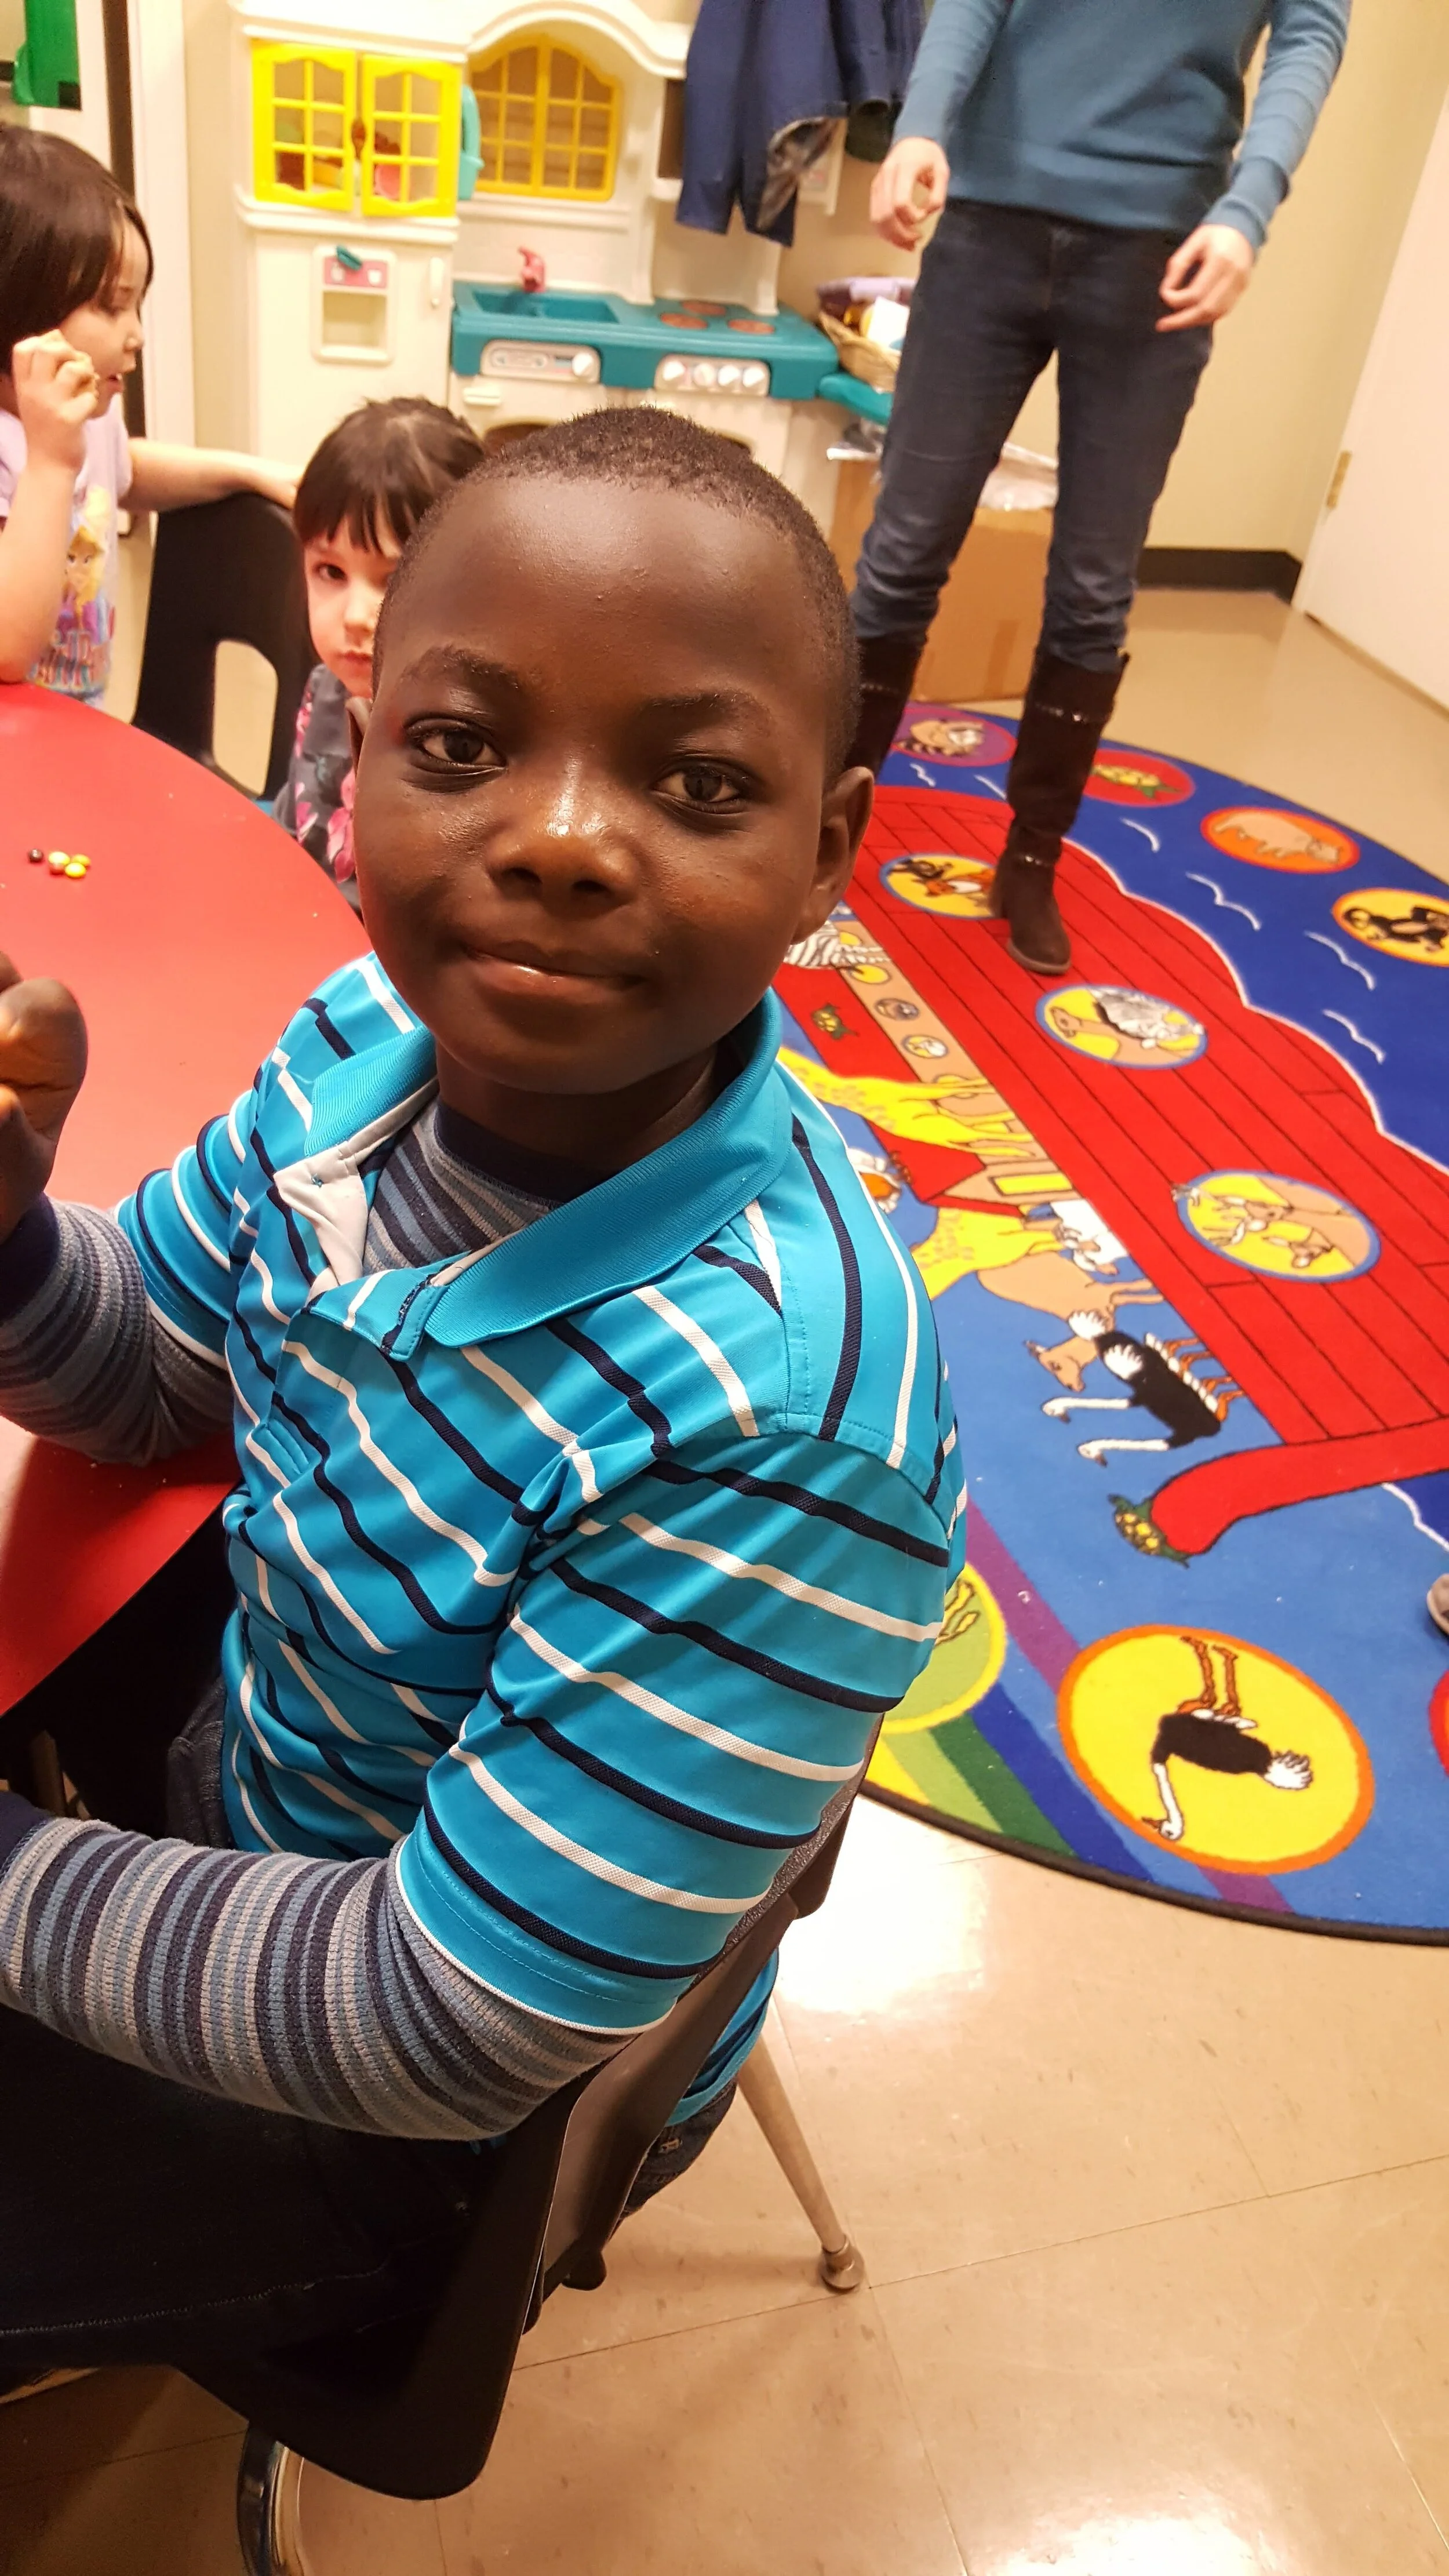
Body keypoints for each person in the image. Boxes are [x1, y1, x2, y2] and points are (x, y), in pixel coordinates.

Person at [0, 407, 962, 2379]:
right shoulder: (364, 1039)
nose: (558, 835)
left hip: (414, 2123)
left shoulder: (785, 1423)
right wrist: (12, 1241)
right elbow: (153, 1365)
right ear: (358, 766)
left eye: (696, 781)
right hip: (266, 1794)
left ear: (826, 853)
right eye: (463, 745)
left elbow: (447, 2024)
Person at [850, 0, 1350, 974]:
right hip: (988, 226)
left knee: (1092, 590)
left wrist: (1248, 208)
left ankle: (1029, 862)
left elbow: (1311, 31)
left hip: (1158, 248)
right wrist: (921, 124)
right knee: (901, 556)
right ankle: (822, 828)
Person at [0, 128, 294, 705]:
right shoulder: (32, 446)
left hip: (80, 725)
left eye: (138, 305)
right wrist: (52, 462)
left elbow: (123, 470)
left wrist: (248, 471)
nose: (135, 335)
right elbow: (9, 649)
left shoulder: (85, 417)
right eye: (112, 306)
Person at [275, 397, 483, 907]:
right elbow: (292, 830)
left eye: (392, 580)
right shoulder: (331, 686)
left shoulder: (466, 748)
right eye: (331, 573)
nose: (353, 616)